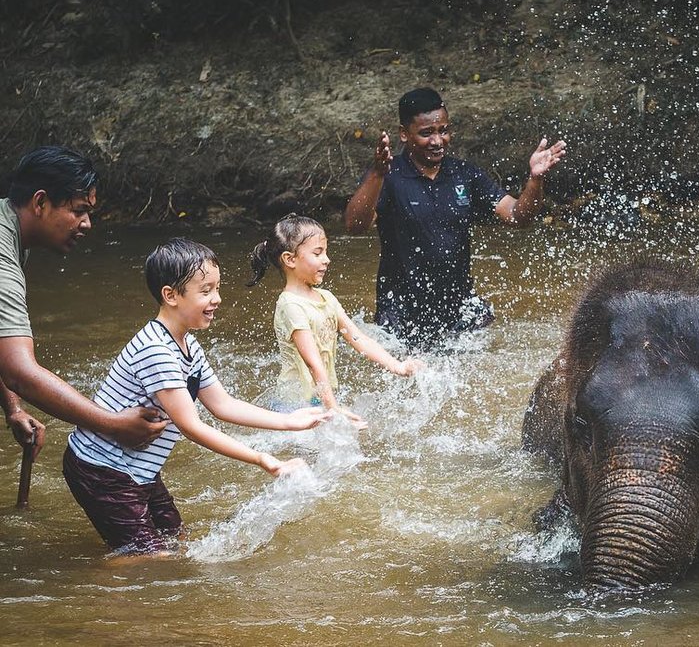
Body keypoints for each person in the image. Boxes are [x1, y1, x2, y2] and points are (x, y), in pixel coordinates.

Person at [63, 238, 331, 554]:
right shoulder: (157, 351)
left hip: (136, 470)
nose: (216, 299)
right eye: (205, 291)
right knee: (147, 558)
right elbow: (192, 426)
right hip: (104, 471)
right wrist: (264, 460)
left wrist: (288, 421)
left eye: (216, 288)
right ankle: (99, 588)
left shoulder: (187, 345)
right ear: (171, 295)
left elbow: (222, 404)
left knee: (176, 541)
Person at [344, 87, 567, 346]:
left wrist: (535, 179)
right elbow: (354, 226)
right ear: (404, 134)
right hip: (401, 315)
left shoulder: (464, 174)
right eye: (426, 133)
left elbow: (518, 217)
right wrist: (377, 174)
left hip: (460, 311)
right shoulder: (388, 177)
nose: (438, 141)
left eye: (444, 130)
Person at [1, 146, 165, 462]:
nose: (87, 224)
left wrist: (13, 408)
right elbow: (19, 370)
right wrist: (113, 424)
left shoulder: (10, 231)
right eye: (78, 211)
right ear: (40, 202)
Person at [248, 214, 425, 426]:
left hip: (318, 397)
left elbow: (359, 338)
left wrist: (397, 366)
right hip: (293, 405)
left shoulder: (326, 298)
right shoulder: (290, 306)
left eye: (326, 251)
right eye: (318, 253)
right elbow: (312, 362)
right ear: (290, 259)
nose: (326, 259)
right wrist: (333, 409)